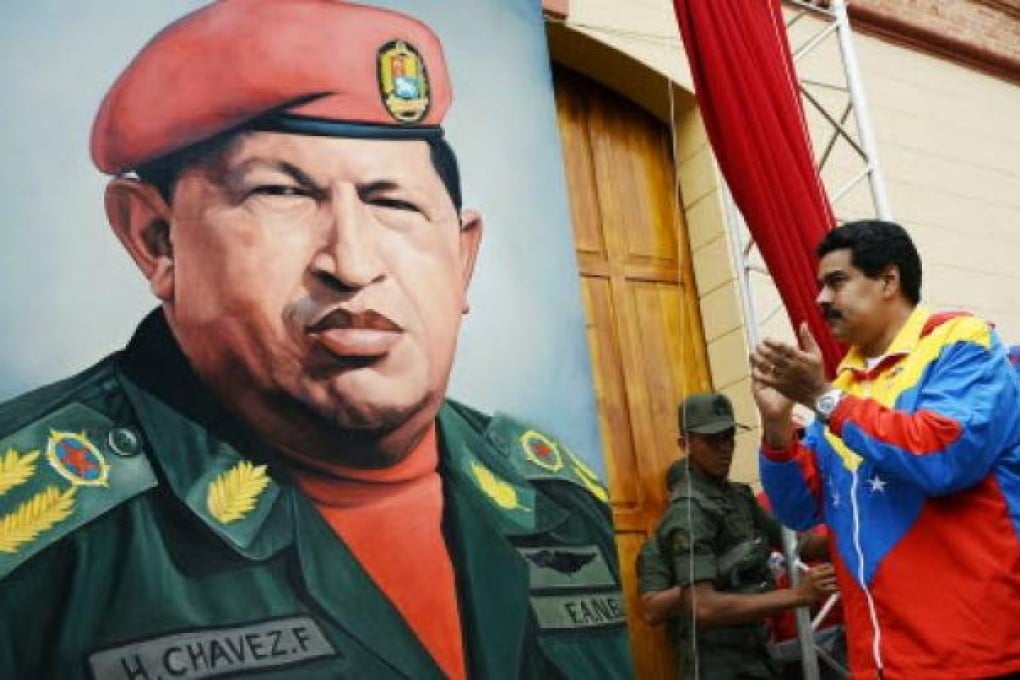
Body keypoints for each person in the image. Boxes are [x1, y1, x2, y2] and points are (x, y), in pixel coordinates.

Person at [0, 2, 633, 678]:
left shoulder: (557, 497)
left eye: (393, 203)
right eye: (281, 192)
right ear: (157, 242)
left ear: (462, 257)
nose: (352, 263)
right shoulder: (39, 542)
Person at [750, 219, 1020, 679]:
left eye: (837, 282)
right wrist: (776, 428)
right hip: (878, 662)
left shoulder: (961, 341)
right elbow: (800, 510)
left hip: (974, 657)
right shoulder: (846, 384)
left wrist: (821, 398)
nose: (821, 299)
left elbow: (943, 457)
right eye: (820, 286)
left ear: (889, 281)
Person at [655, 392, 836, 680]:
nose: (724, 448)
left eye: (729, 437)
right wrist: (798, 595)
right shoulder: (688, 511)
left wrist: (854, 533)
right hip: (717, 665)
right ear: (685, 444)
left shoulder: (739, 497)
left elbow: (803, 546)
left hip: (756, 653)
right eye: (712, 440)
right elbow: (702, 606)